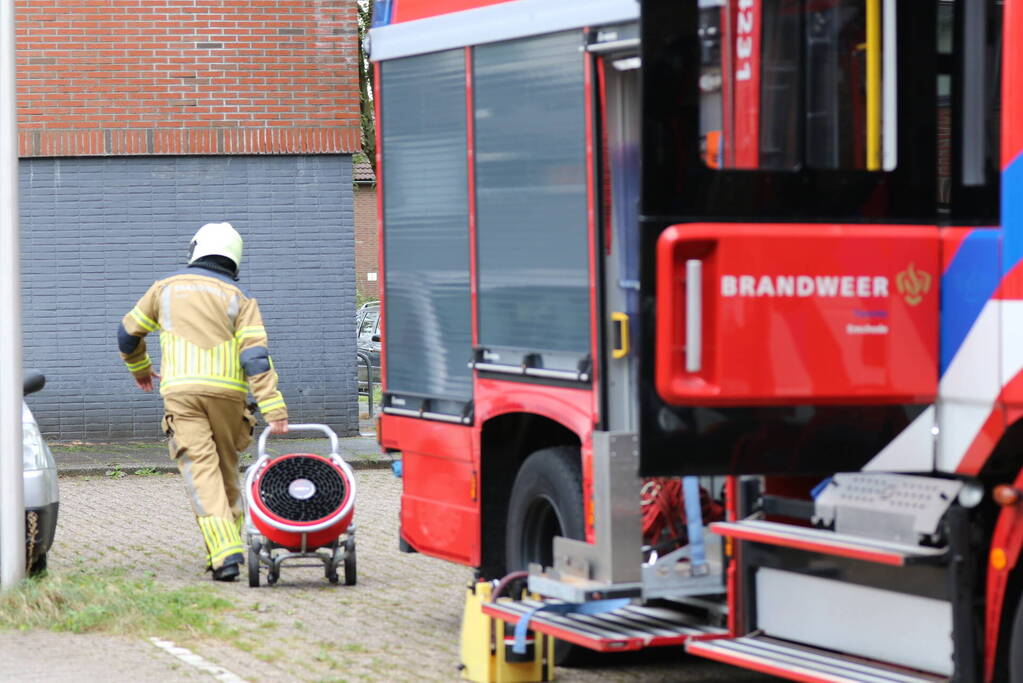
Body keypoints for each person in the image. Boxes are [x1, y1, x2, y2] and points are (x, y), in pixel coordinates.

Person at [117, 222, 289, 581]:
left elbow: (127, 334)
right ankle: (223, 552)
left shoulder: (165, 289)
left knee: (200, 469)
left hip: (182, 395)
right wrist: (273, 407)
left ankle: (225, 551)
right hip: (228, 398)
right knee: (226, 471)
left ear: (195, 249)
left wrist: (141, 369)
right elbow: (256, 358)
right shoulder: (240, 299)